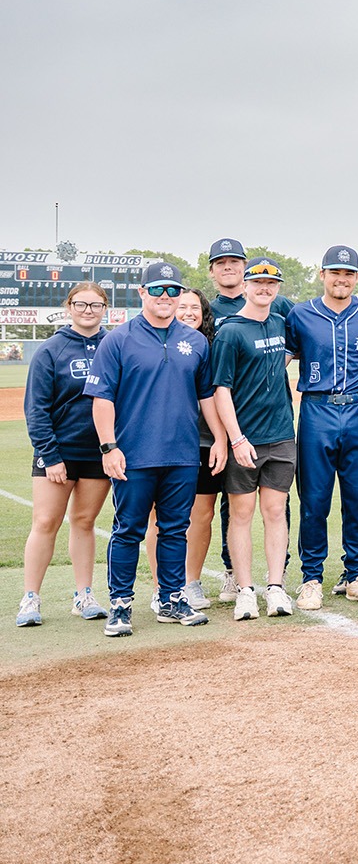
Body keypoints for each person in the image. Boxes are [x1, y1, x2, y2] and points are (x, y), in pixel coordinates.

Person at [86, 261, 223, 636]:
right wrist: (109, 447)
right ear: (142, 293)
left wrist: (221, 438)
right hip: (133, 455)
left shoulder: (195, 341)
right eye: (158, 290)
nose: (166, 297)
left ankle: (171, 599)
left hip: (182, 453)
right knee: (128, 529)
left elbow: (206, 395)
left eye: (173, 290)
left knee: (176, 529)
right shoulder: (119, 339)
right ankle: (120, 605)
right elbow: (102, 399)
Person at [286, 245, 358, 610]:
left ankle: (356, 575)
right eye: (334, 272)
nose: (341, 279)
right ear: (322, 275)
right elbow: (283, 358)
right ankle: (311, 577)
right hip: (317, 409)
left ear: (356, 278)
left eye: (348, 273)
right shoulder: (301, 314)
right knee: (314, 501)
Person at [209, 257, 299, 620]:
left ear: (277, 289)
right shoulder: (230, 331)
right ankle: (245, 589)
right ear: (246, 285)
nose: (265, 289)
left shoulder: (280, 322)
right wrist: (236, 439)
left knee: (276, 512)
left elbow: (290, 354)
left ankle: (275, 587)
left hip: (280, 436)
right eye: (258, 283)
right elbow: (221, 390)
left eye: (271, 284)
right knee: (241, 514)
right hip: (245, 439)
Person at [19, 283, 113, 627]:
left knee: (85, 522)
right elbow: (37, 409)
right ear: (68, 307)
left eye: (95, 304)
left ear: (105, 308)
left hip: (98, 452)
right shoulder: (51, 349)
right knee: (45, 522)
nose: (88, 310)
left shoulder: (113, 345)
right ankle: (30, 598)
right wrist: (50, 454)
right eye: (81, 304)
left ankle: (84, 594)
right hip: (58, 452)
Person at [139, 288, 224, 611]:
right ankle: (163, 586)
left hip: (200, 442)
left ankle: (191, 582)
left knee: (201, 515)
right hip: (156, 444)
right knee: (158, 518)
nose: (188, 312)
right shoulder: (152, 343)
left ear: (204, 314)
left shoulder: (208, 348)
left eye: (195, 308)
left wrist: (220, 438)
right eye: (183, 306)